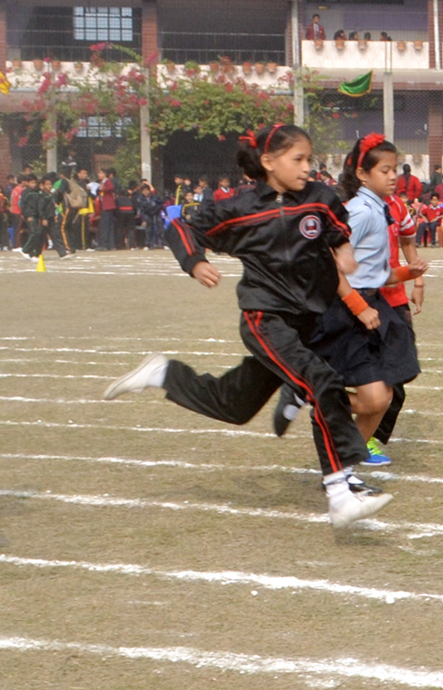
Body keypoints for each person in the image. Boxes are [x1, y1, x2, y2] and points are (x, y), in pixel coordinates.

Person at [103, 123, 393, 529]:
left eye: (309, 159)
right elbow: (182, 228)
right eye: (298, 159)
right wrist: (195, 261)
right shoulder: (239, 209)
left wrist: (344, 253)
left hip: (304, 324)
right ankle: (340, 493)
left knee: (234, 406)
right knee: (321, 381)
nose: (308, 167)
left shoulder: (320, 200)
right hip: (263, 318)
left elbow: (337, 231)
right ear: (268, 162)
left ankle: (164, 373)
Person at [278, 134, 428, 469]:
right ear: (363, 174)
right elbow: (327, 260)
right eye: (385, 170)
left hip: (372, 305)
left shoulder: (380, 209)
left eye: (394, 170)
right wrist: (357, 306)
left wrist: (408, 273)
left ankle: (343, 467)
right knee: (378, 395)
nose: (393, 177)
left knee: (383, 396)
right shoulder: (360, 212)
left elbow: (375, 273)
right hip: (346, 309)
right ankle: (309, 390)